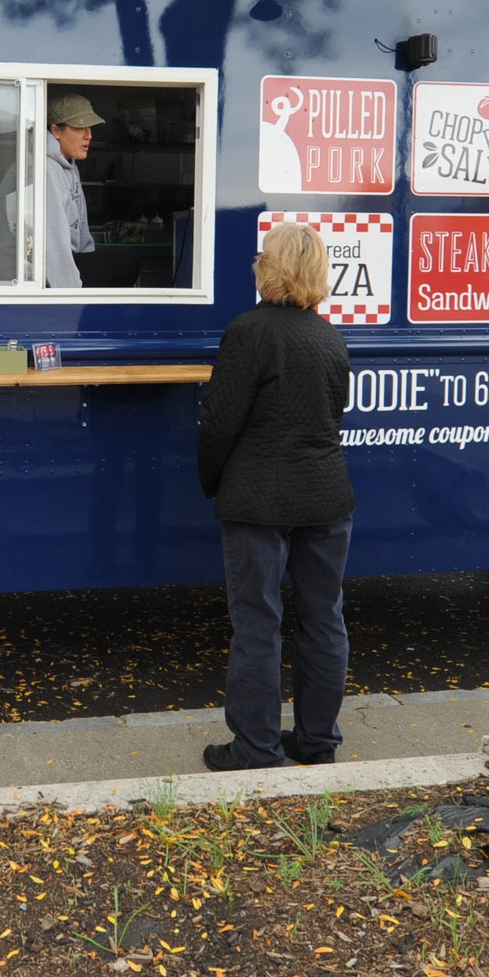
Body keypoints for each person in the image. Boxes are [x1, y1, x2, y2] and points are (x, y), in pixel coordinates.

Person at [196, 223, 356, 772]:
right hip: (327, 497)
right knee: (323, 620)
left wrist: (214, 482)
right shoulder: (331, 337)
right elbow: (332, 416)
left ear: (269, 267)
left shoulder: (249, 332)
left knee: (258, 623)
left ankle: (256, 748)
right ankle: (316, 742)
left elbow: (219, 423)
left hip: (258, 500)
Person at [0, 92, 99, 286]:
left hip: (47, 267)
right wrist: (73, 297)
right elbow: (50, 247)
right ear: (56, 130)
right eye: (80, 127)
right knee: (126, 262)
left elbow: (81, 237)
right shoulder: (41, 168)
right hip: (18, 278)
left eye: (90, 127)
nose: (89, 135)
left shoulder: (68, 164)